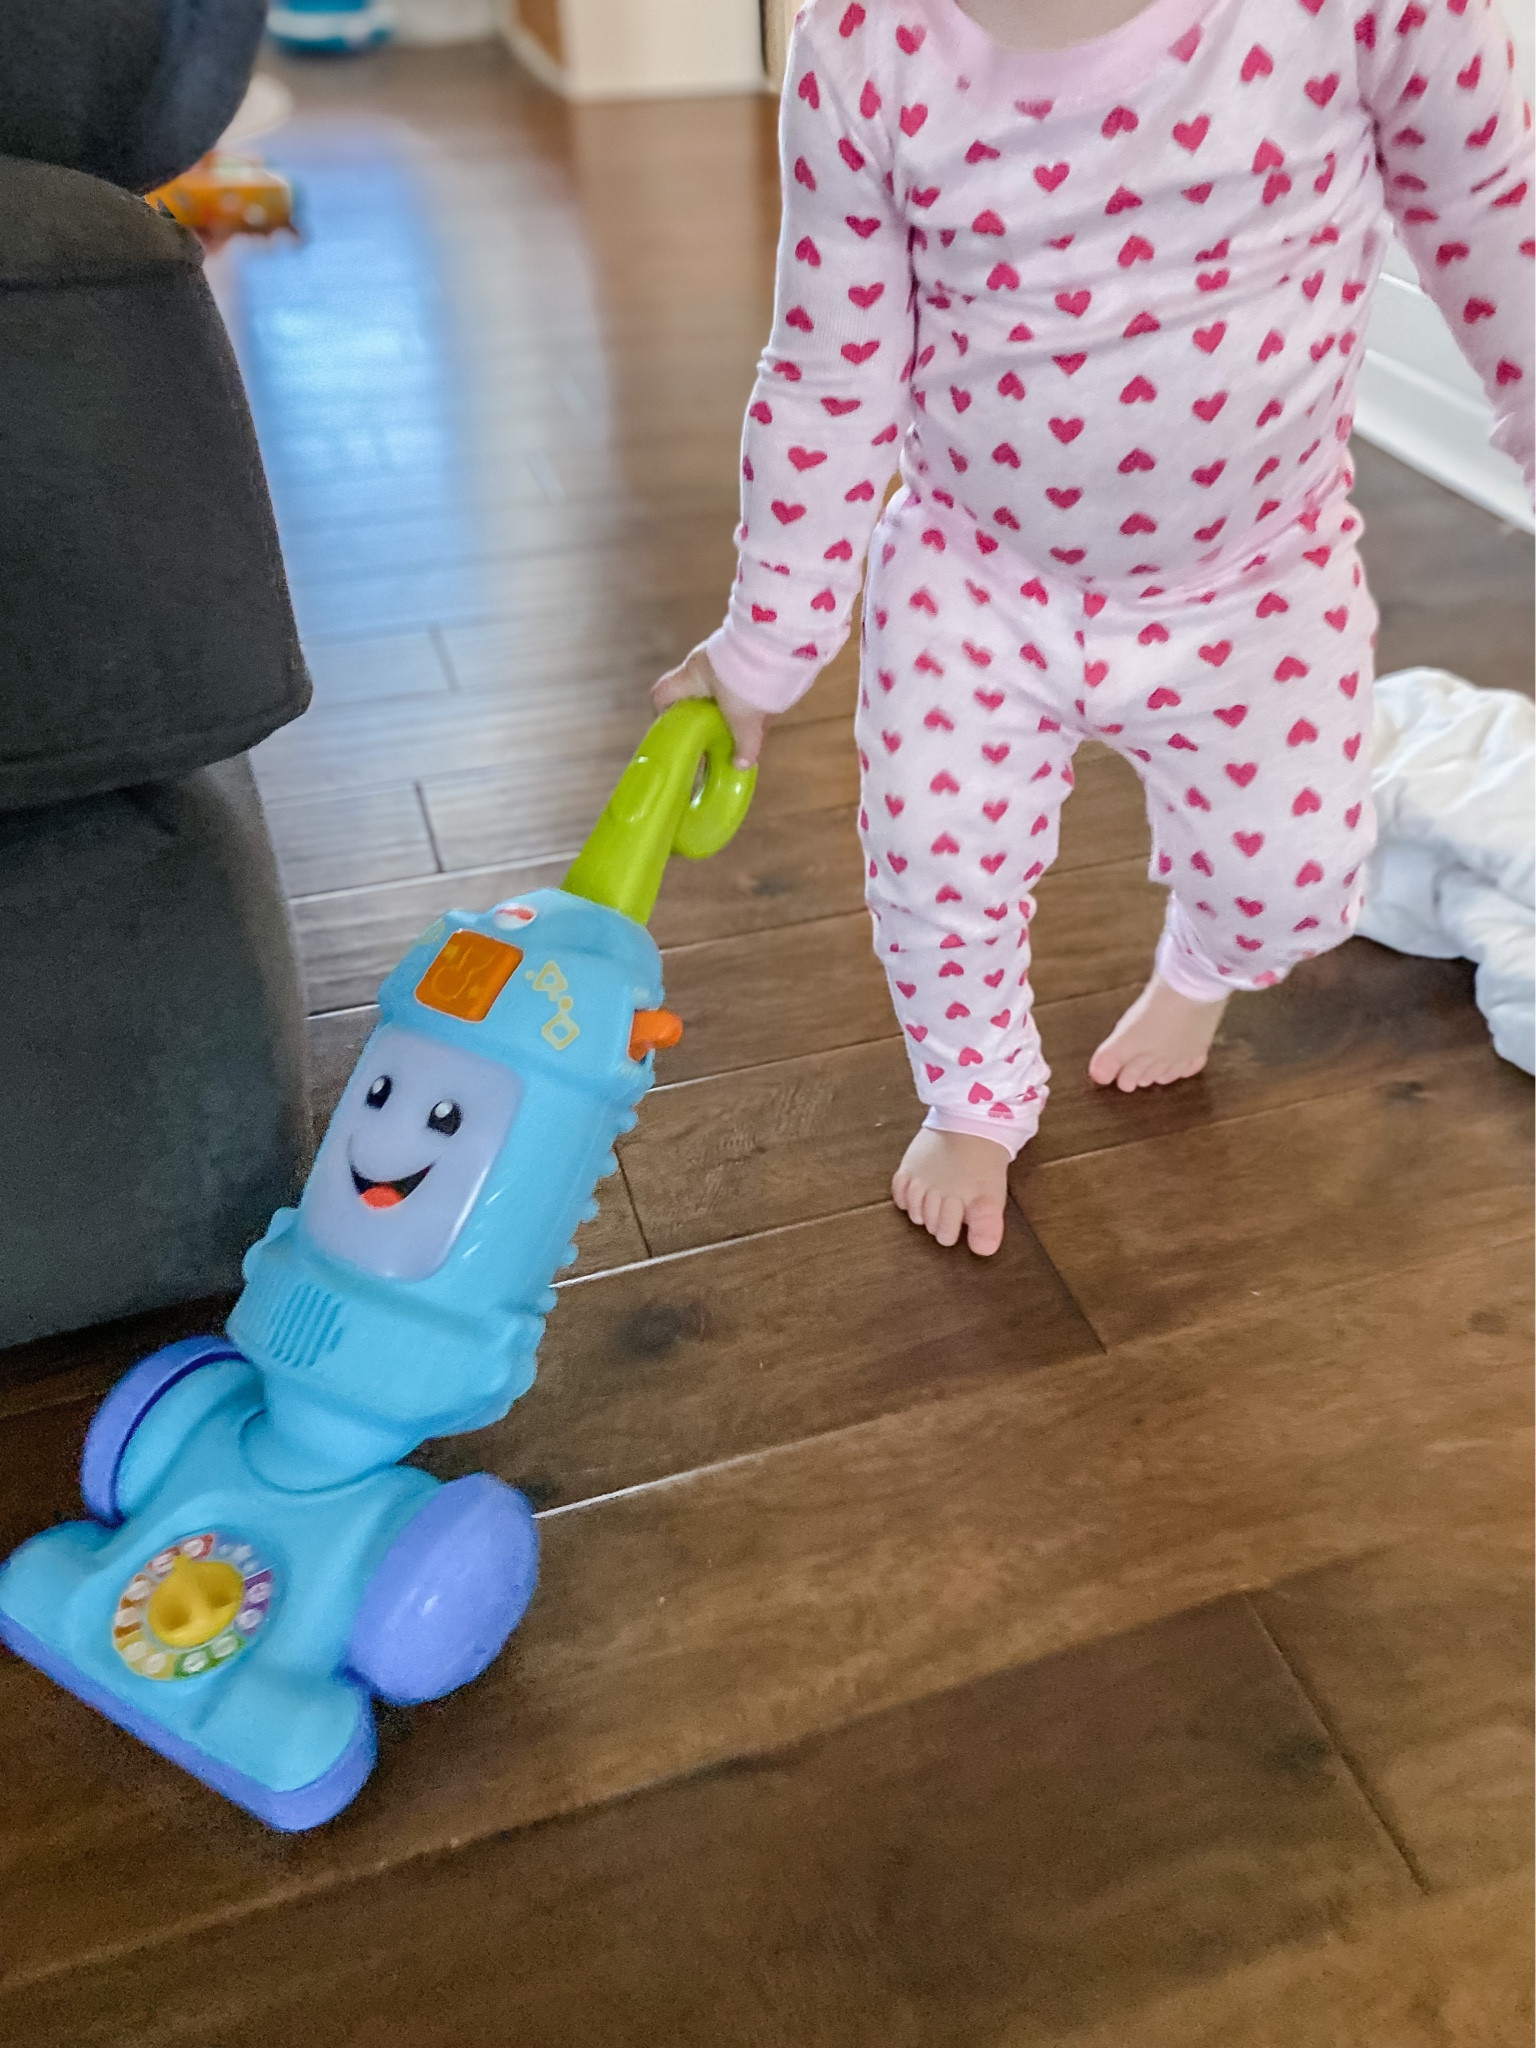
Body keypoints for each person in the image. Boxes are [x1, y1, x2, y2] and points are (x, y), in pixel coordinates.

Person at [654, 0, 1533, 1254]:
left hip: (1256, 575)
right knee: (932, 856)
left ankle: (1200, 969)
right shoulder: (861, 39)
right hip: (974, 568)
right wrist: (767, 640)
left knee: (1286, 869)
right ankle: (974, 1094)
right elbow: (826, 369)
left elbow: (1505, 237)